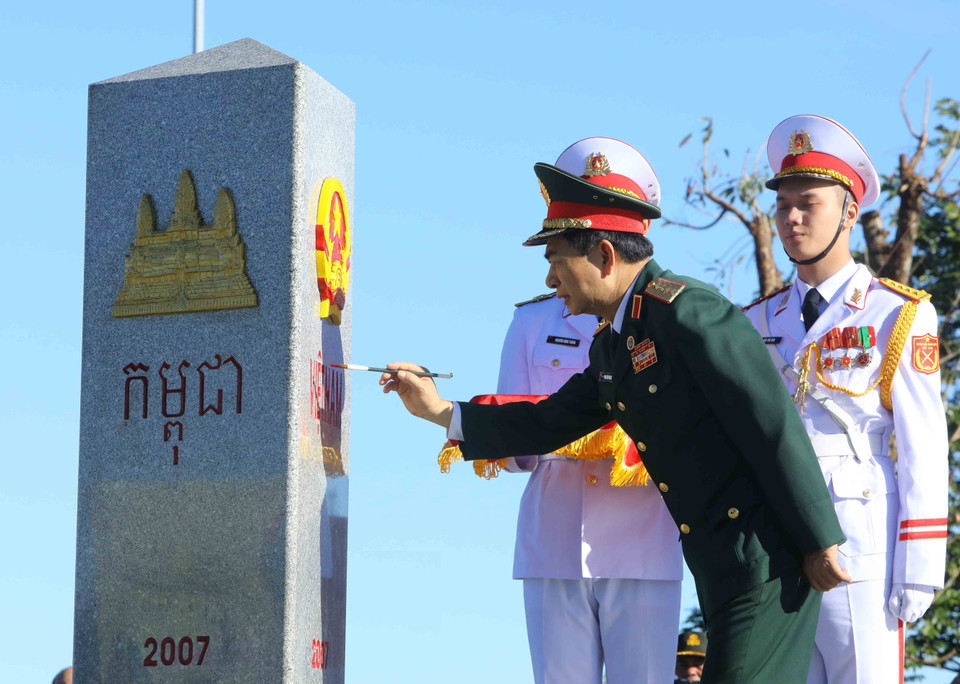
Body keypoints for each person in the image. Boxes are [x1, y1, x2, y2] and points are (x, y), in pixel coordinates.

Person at [381, 136, 848, 683]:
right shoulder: (616, 343)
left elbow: (770, 422)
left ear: (603, 256)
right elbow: (548, 422)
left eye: (557, 261)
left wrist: (821, 538)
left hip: (766, 561)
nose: (550, 280)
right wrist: (440, 411)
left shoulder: (687, 312)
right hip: (721, 564)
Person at [743, 114, 948, 684]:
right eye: (783, 204)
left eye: (808, 202)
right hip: (778, 551)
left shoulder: (898, 314)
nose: (791, 218)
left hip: (865, 547)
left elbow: (924, 448)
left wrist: (921, 566)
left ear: (850, 213)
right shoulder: (754, 323)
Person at [493, 289, 682, 683]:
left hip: (643, 537)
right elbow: (514, 445)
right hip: (553, 538)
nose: (552, 274)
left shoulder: (669, 316)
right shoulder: (532, 322)